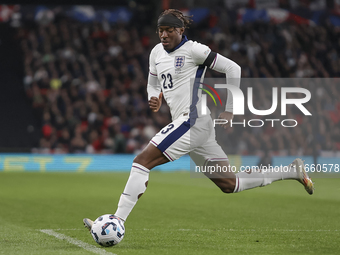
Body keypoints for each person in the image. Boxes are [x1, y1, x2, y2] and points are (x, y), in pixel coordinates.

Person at [83, 9, 314, 233]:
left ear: (181, 30)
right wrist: (153, 97)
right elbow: (153, 83)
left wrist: (231, 110)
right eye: (160, 31)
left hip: (193, 121)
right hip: (193, 126)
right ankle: (291, 171)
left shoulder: (194, 50)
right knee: (230, 184)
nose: (163, 35)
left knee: (142, 162)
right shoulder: (156, 53)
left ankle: (116, 221)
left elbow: (233, 68)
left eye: (168, 30)